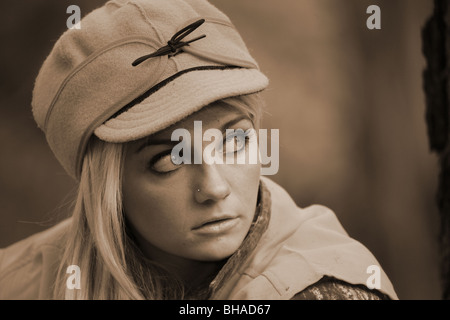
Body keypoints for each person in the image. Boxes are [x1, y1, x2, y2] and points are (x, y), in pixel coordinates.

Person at [0, 0, 397, 300]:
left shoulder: (323, 289)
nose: (214, 187)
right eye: (171, 159)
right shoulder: (20, 280)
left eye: (234, 142)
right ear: (107, 187)